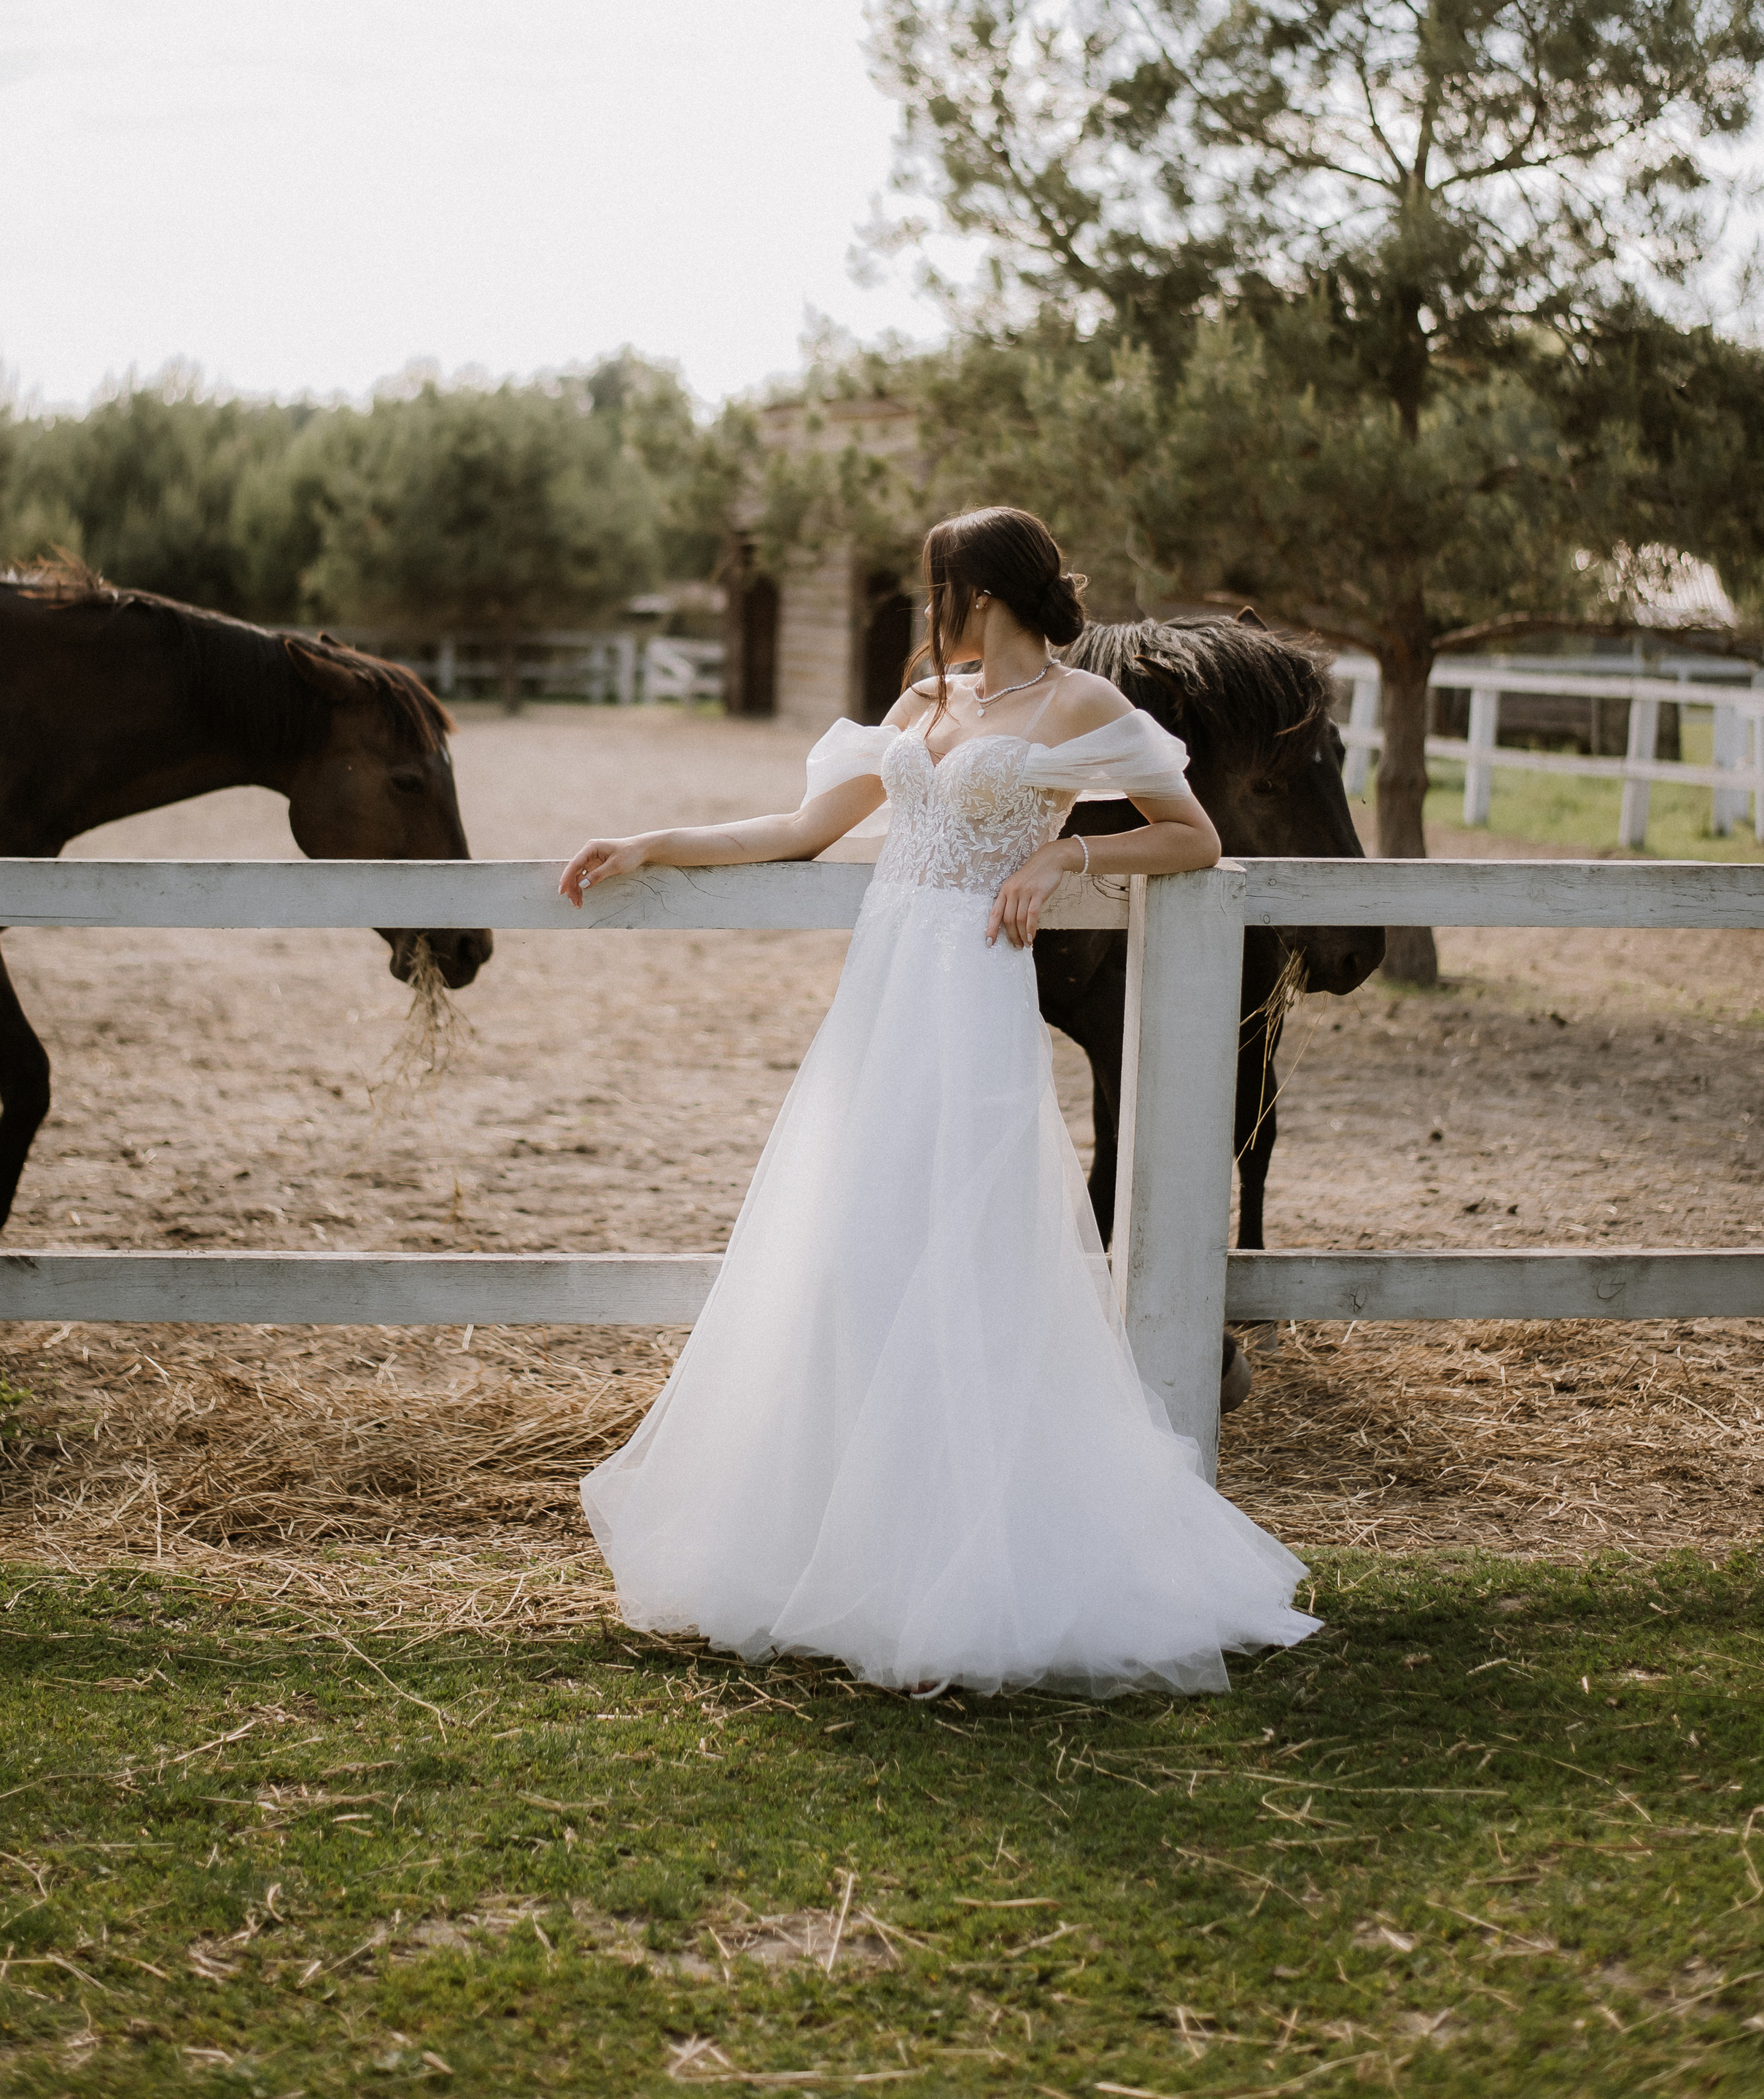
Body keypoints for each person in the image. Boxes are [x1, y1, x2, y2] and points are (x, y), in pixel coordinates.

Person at [558, 507, 1319, 1697]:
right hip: (879, 999)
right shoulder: (923, 704)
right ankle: (838, 1537)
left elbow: (1192, 836)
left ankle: (964, 1559)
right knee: (854, 1248)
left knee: (962, 1259)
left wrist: (1065, 856)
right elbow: (804, 828)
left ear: (984, 588)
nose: (933, 608)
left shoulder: (1080, 712)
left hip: (968, 1000)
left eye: (942, 585)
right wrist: (655, 839)